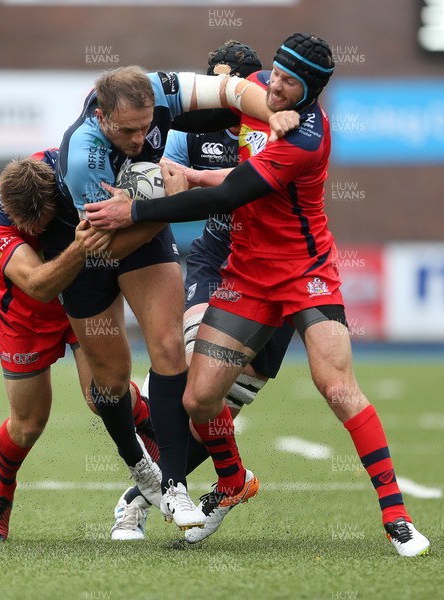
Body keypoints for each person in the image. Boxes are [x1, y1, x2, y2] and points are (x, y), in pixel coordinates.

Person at [83, 34, 431, 558]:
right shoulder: (261, 90)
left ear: (313, 89)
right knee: (199, 398)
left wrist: (133, 211)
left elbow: (230, 193)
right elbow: (206, 124)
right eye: (277, 75)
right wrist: (135, 126)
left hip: (304, 271)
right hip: (246, 274)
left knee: (335, 385)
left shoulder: (307, 139)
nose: (279, 87)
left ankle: (396, 515)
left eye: (292, 83)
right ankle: (231, 480)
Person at [46, 65, 278, 529]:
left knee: (170, 349)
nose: (141, 137)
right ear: (103, 117)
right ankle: (141, 467)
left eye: (147, 125)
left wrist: (276, 116)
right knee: (106, 388)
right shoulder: (82, 160)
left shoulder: (157, 89)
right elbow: (107, 248)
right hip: (96, 249)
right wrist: (160, 207)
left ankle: (175, 486)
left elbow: (233, 90)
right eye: (129, 130)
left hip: (145, 230)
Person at [109, 41, 295, 542]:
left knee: (211, 411)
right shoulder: (189, 131)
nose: (217, 101)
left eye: (228, 88)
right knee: (194, 388)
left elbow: (243, 188)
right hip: (216, 263)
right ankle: (199, 485)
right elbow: (166, 185)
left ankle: (222, 485)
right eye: (212, 88)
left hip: (279, 272)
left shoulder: (282, 132)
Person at [0, 149, 159, 541]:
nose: (38, 233)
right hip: (25, 313)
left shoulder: (73, 167)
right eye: (29, 227)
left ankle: (155, 437)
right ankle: (1, 489)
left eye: (42, 223)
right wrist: (80, 244)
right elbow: (39, 285)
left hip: (84, 296)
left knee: (103, 394)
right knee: (28, 424)